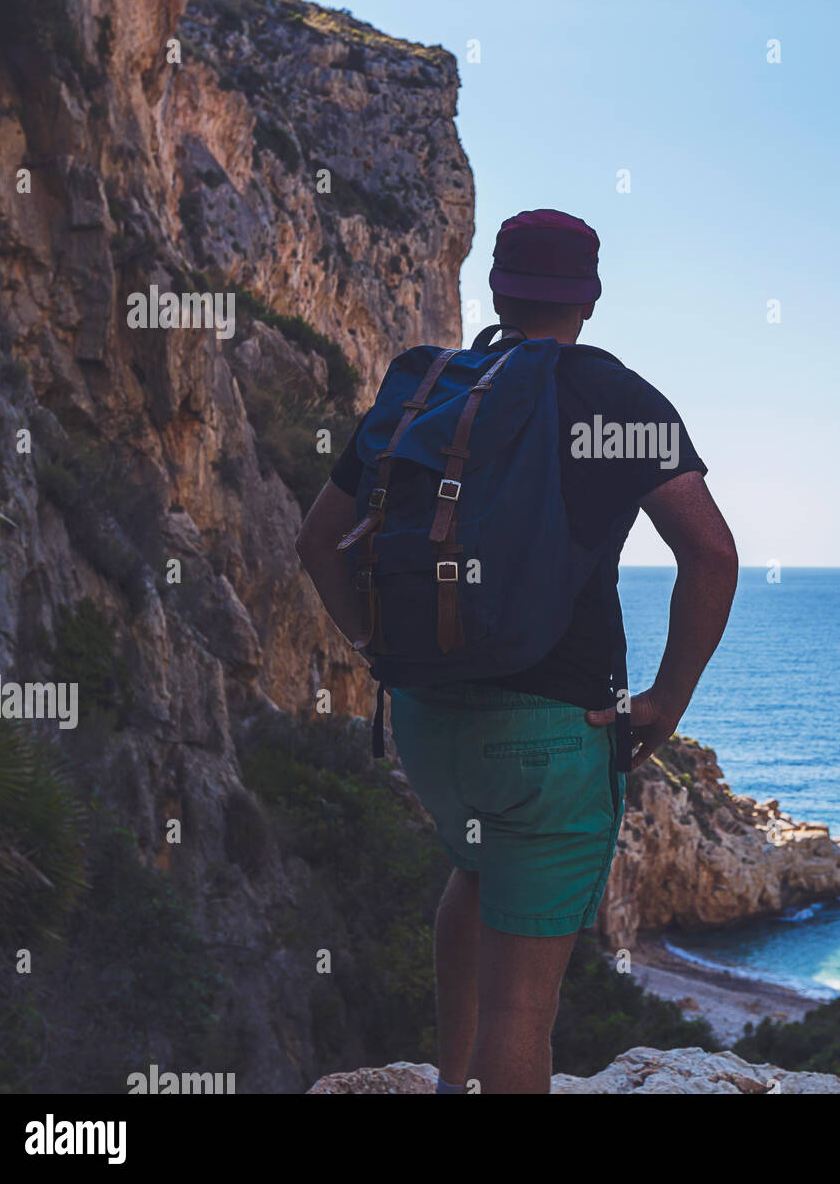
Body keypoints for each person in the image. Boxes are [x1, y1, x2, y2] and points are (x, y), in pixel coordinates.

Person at [295, 208, 738, 1093]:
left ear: (494, 287)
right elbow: (711, 553)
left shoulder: (429, 388)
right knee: (522, 1015)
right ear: (592, 300)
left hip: (426, 724)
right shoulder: (616, 400)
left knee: (473, 868)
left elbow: (318, 543)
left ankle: (451, 1082)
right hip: (552, 731)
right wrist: (668, 698)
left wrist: (373, 644)